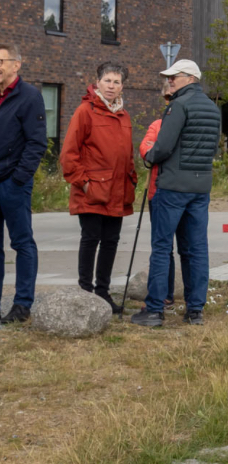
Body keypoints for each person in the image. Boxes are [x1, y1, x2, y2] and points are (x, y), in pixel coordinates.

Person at [130, 59, 220, 327]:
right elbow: (212, 148)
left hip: (172, 188)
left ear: (190, 78)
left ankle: (155, 310)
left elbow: (163, 147)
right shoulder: (214, 109)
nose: (169, 81)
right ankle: (195, 311)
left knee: (161, 247)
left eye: (174, 77)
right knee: (196, 249)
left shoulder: (178, 106)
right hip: (200, 188)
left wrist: (148, 155)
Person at [59, 62, 137, 312]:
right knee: (90, 239)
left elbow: (128, 154)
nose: (112, 86)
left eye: (116, 82)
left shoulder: (124, 115)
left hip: (118, 191)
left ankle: (103, 294)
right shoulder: (85, 111)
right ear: (97, 82)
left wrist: (132, 178)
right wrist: (84, 185)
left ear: (122, 86)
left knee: (111, 242)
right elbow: (69, 155)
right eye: (107, 81)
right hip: (92, 191)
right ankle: (85, 293)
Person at [0, 43, 47, 324]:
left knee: (22, 243)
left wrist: (19, 178)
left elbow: (37, 142)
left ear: (16, 64)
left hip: (13, 183)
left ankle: (22, 305)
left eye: (1, 60)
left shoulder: (29, 96)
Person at [140, 80, 190, 308]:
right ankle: (165, 294)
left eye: (174, 97)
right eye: (168, 98)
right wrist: (156, 153)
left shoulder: (188, 121)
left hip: (182, 190)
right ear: (164, 99)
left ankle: (185, 296)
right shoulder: (158, 124)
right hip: (158, 192)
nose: (171, 102)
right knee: (163, 247)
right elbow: (146, 147)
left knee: (187, 247)